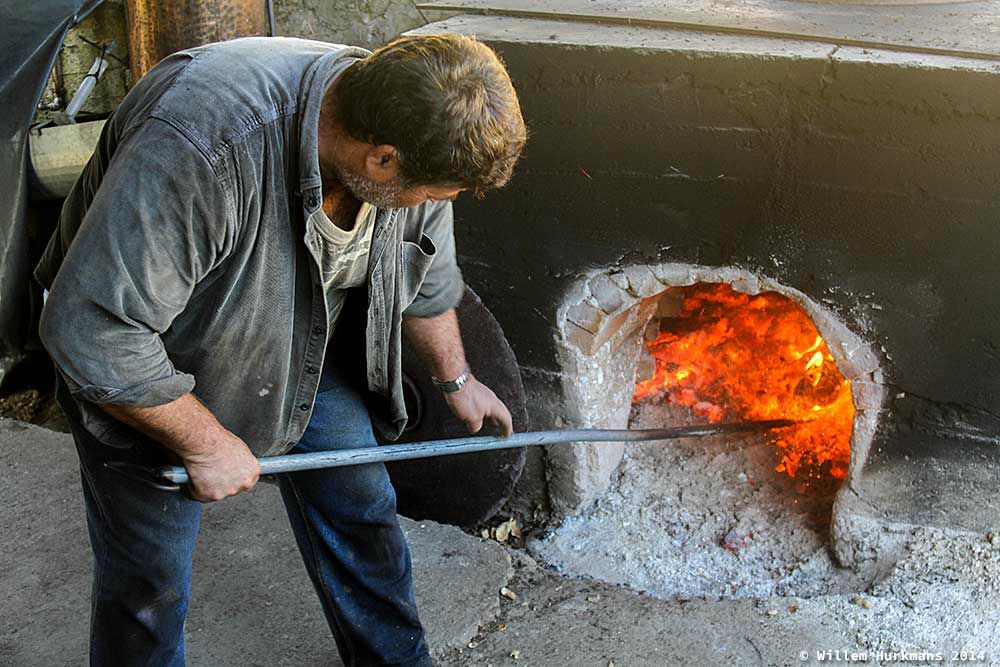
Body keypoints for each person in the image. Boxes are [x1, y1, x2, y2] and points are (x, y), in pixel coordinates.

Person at [34, 33, 526, 667]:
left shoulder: (410, 128)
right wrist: (206, 442)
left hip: (306, 347)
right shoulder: (203, 147)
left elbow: (425, 274)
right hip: (154, 365)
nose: (433, 205)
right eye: (429, 194)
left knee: (362, 509)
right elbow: (93, 329)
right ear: (381, 161)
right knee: (150, 582)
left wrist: (457, 379)